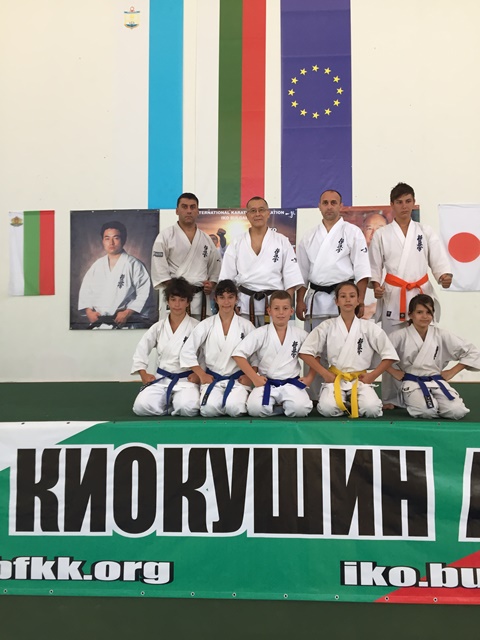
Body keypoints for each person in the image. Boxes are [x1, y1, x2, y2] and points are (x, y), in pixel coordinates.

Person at [369, 182, 452, 408]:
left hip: (420, 293)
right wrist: (376, 286)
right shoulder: (382, 234)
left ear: (414, 203)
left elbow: (438, 260)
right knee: (391, 346)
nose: (404, 206)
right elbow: (374, 266)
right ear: (392, 205)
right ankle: (390, 397)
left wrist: (443, 275)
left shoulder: (425, 232)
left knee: (422, 343)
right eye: (399, 202)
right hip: (394, 294)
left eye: (408, 201)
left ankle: (424, 389)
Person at [299, 282, 398, 418]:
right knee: (327, 409)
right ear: (336, 301)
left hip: (360, 380)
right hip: (336, 379)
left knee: (372, 409)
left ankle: (352, 402)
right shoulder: (327, 326)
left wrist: (372, 376)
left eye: (352, 296)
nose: (347, 300)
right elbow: (305, 352)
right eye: (343, 296)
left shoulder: (369, 328)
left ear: (358, 301)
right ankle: (349, 404)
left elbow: (389, 355)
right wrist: (325, 373)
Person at [386, 294, 480, 420]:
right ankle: (423, 403)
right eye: (419, 312)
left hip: (437, 381)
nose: (425, 316)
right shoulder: (399, 336)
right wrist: (393, 371)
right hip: (412, 383)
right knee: (427, 412)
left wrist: (452, 371)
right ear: (410, 315)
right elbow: (380, 355)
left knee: (457, 411)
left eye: (428, 312)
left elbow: (472, 352)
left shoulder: (441, 334)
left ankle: (437, 405)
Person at [219, 196, 304, 326]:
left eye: (261, 210)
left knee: (273, 339)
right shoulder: (237, 242)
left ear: (268, 213)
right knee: (246, 338)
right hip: (244, 305)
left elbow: (291, 277)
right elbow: (227, 278)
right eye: (253, 211)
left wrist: (285, 306)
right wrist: (231, 303)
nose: (257, 214)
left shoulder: (281, 241)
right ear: (247, 215)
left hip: (274, 305)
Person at [296, 190, 371, 329]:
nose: (329, 207)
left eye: (333, 203)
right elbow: (302, 273)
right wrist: (299, 301)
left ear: (340, 206)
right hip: (316, 302)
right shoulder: (309, 236)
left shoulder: (353, 232)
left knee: (344, 340)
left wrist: (360, 300)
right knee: (315, 341)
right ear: (319, 206)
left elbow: (362, 270)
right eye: (325, 203)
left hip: (345, 300)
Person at [180, 280, 256, 417]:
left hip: (237, 380)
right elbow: (187, 351)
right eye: (222, 297)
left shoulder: (246, 325)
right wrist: (202, 375)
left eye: (230, 297)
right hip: (213, 379)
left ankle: (231, 403)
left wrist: (250, 376)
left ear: (236, 299)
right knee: (208, 410)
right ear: (215, 299)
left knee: (235, 408)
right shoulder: (206, 325)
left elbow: (257, 356)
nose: (226, 302)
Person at [232, 290, 314, 417]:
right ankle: (281, 408)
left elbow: (316, 354)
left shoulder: (300, 334)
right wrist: (254, 378)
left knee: (301, 409)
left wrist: (310, 377)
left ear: (291, 311)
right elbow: (238, 354)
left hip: (291, 384)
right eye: (276, 308)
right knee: (255, 409)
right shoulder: (260, 333)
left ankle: (280, 407)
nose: (281, 312)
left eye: (285, 308)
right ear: (269, 311)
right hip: (266, 383)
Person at [131, 278, 200, 416]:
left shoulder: (197, 327)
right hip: (161, 379)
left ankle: (173, 403)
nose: (177, 304)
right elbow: (142, 349)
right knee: (141, 406)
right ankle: (169, 405)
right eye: (173, 299)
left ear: (188, 302)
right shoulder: (158, 327)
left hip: (186, 380)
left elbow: (206, 354)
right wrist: (143, 373)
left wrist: (198, 374)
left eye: (181, 300)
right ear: (168, 301)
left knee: (187, 408)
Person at [151, 192, 221, 320]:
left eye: (192, 207)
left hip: (200, 301)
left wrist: (211, 284)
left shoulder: (206, 239)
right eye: (184, 207)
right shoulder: (165, 236)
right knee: (173, 332)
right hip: (175, 299)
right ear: (177, 210)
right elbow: (160, 270)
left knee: (200, 332)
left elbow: (215, 267)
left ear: (197, 211)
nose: (189, 211)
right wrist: (180, 290)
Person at [78, 221, 155, 329]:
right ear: (102, 241)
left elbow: (144, 292)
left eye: (116, 238)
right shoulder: (97, 265)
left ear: (124, 240)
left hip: (125, 324)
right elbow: (86, 291)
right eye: (107, 238)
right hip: (100, 325)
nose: (111, 242)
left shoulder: (134, 264)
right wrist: (89, 311)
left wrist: (128, 312)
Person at [361, 212, 387, 320]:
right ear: (362, 231)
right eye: (369, 228)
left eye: (379, 229)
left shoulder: (395, 259)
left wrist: (374, 308)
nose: (374, 233)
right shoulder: (354, 259)